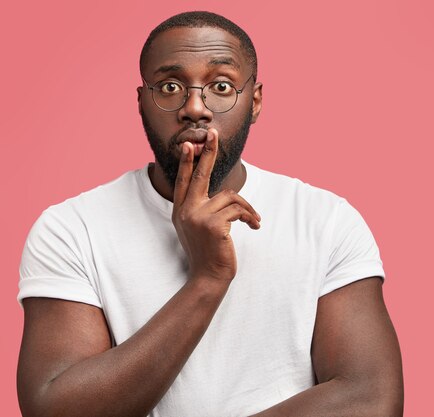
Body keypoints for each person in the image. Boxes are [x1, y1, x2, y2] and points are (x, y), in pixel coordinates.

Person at [17, 11, 403, 417]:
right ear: (143, 103)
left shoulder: (325, 221)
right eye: (170, 86)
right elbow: (54, 409)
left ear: (254, 102)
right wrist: (207, 278)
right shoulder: (70, 229)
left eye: (221, 86)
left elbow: (372, 399)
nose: (195, 108)